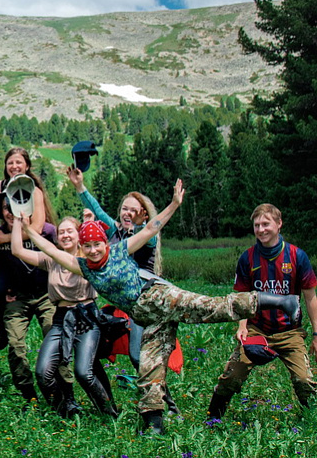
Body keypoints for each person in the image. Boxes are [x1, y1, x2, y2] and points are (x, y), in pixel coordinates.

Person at [18, 179, 302, 434]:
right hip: (145, 316)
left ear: (104, 243)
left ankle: (281, 301)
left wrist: (174, 204)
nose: (93, 250)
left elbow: (152, 227)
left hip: (157, 297)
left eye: (97, 244)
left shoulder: (119, 251)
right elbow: (50, 249)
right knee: (149, 366)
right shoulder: (83, 267)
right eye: (89, 246)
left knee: (214, 307)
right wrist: (28, 229)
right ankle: (154, 424)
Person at [65, 165, 177, 411]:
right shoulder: (115, 232)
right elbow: (97, 210)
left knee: (138, 357)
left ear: (144, 214)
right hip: (123, 307)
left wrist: (145, 221)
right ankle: (108, 406)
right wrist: (80, 187)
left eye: (133, 210)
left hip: (144, 302)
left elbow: (150, 229)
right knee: (98, 353)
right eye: (124, 208)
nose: (127, 213)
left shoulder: (147, 235)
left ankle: (167, 404)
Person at [207, 204, 317, 419]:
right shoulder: (247, 258)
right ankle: (212, 419)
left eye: (266, 224)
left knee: (303, 380)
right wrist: (242, 327)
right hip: (256, 330)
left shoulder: (297, 256)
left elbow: (310, 297)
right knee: (232, 375)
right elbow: (241, 298)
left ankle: (314, 421)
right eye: (257, 225)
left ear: (279, 224)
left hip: (289, 332)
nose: (261, 230)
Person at [11, 216, 119, 418]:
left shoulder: (89, 258)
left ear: (79, 235)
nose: (65, 235)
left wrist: (94, 223)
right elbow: (17, 250)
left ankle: (109, 414)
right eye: (61, 232)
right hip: (61, 320)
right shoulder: (52, 259)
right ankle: (65, 412)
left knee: (84, 372)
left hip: (86, 318)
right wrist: (18, 222)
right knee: (43, 373)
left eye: (70, 231)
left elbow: (108, 246)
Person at [0, 193, 54, 405]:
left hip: (45, 294)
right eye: (6, 208)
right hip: (18, 297)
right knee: (15, 345)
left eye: (15, 207)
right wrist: (1, 283)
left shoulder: (47, 231)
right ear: (1, 213)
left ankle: (56, 390)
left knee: (53, 337)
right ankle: (28, 394)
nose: (11, 213)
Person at [0, 148, 54, 350]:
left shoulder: (34, 191)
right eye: (10, 163)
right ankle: (2, 327)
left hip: (26, 238)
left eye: (18, 162)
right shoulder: (0, 186)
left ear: (27, 166)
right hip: (7, 242)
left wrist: (5, 238)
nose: (14, 166)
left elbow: (36, 228)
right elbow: (3, 215)